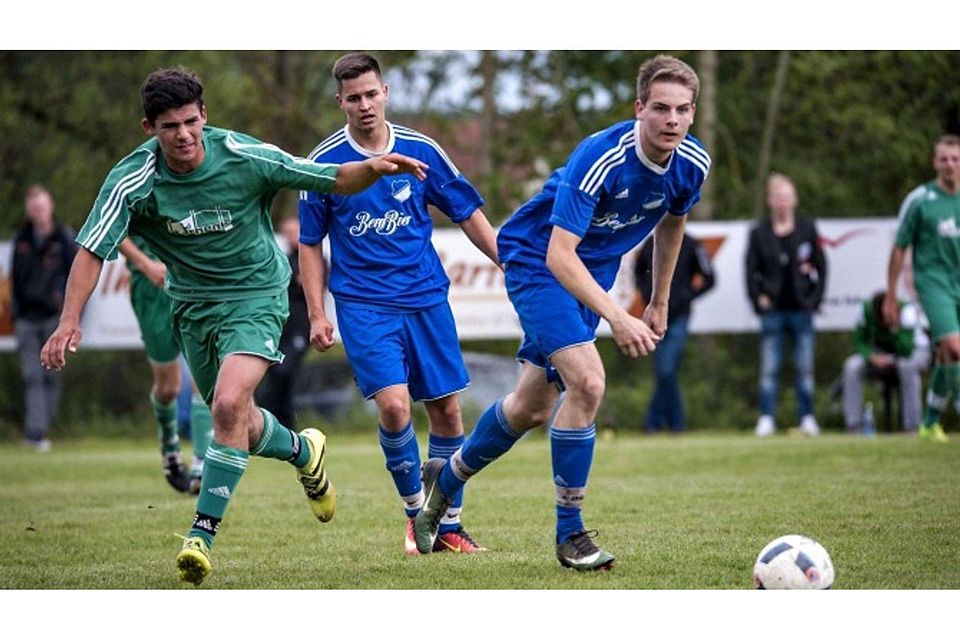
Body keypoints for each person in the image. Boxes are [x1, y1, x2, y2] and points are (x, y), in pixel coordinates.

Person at [39, 66, 429, 586]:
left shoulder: (246, 157)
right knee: (238, 425)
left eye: (190, 122)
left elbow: (332, 177)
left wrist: (374, 169)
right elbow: (91, 250)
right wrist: (69, 322)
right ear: (148, 128)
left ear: (205, 117)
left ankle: (201, 535)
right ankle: (302, 450)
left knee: (224, 406)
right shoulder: (133, 179)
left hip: (257, 297)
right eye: (169, 126)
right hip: (192, 308)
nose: (182, 135)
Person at [413, 54, 710, 570]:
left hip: (587, 274)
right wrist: (620, 316)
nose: (672, 121)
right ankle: (570, 537)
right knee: (589, 383)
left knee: (529, 407)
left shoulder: (691, 163)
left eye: (683, 110)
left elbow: (671, 225)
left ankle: (450, 475)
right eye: (661, 108)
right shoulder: (601, 158)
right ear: (639, 108)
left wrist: (659, 299)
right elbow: (558, 254)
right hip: (538, 262)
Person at [299, 53, 500, 555]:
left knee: (449, 413)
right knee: (393, 406)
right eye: (353, 97)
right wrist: (317, 312)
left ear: (385, 92)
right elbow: (308, 243)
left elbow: (467, 210)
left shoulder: (422, 149)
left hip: (425, 299)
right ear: (339, 101)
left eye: (371, 94)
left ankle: (449, 524)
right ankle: (416, 516)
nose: (364, 105)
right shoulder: (323, 162)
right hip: (364, 304)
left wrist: (507, 261)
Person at [118, 236, 213, 494]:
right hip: (151, 288)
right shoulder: (129, 193)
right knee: (168, 387)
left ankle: (202, 463)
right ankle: (170, 445)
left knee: (202, 374)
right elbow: (113, 230)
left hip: (193, 280)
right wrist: (146, 264)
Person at [884, 134, 960, 443]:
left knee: (946, 356)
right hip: (933, 284)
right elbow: (899, 248)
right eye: (944, 159)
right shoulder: (920, 200)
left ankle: (929, 422)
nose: (950, 165)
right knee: (955, 348)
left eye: (955, 159)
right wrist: (891, 294)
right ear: (934, 162)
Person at [745, 173, 827, 437]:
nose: (782, 203)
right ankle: (767, 417)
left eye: (787, 197)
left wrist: (814, 300)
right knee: (769, 369)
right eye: (778, 198)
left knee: (805, 369)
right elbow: (750, 271)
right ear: (770, 201)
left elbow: (821, 266)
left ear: (795, 200)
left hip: (802, 310)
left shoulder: (807, 228)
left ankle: (807, 418)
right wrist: (759, 301)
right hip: (773, 313)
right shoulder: (759, 233)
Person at [11, 185, 76, 452]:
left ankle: (43, 426)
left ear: (51, 207)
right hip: (27, 318)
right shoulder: (22, 238)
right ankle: (36, 432)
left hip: (54, 318)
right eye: (34, 207)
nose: (38, 212)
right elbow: (13, 279)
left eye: (42, 206)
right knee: (33, 377)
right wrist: (16, 312)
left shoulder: (64, 238)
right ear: (29, 211)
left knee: (51, 375)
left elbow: (79, 275)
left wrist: (70, 314)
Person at [634, 231, 715, 432]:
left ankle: (655, 422)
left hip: (679, 316)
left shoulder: (693, 245)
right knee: (665, 372)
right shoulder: (650, 244)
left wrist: (686, 296)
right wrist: (649, 298)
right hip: (655, 318)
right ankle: (674, 423)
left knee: (666, 370)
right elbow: (638, 273)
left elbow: (710, 278)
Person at [842, 291, 929, 433]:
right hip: (879, 354)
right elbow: (859, 340)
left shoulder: (906, 310)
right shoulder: (866, 310)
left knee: (906, 366)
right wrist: (871, 356)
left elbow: (906, 349)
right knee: (852, 366)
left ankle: (912, 425)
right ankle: (853, 425)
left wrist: (894, 328)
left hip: (912, 352)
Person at [255, 215, 310, 430]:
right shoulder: (284, 259)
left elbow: (308, 283)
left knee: (284, 371)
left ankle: (282, 423)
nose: (291, 237)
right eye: (287, 234)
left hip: (300, 328)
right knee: (275, 373)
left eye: (294, 232)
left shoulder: (310, 259)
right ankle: (276, 425)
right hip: (281, 328)